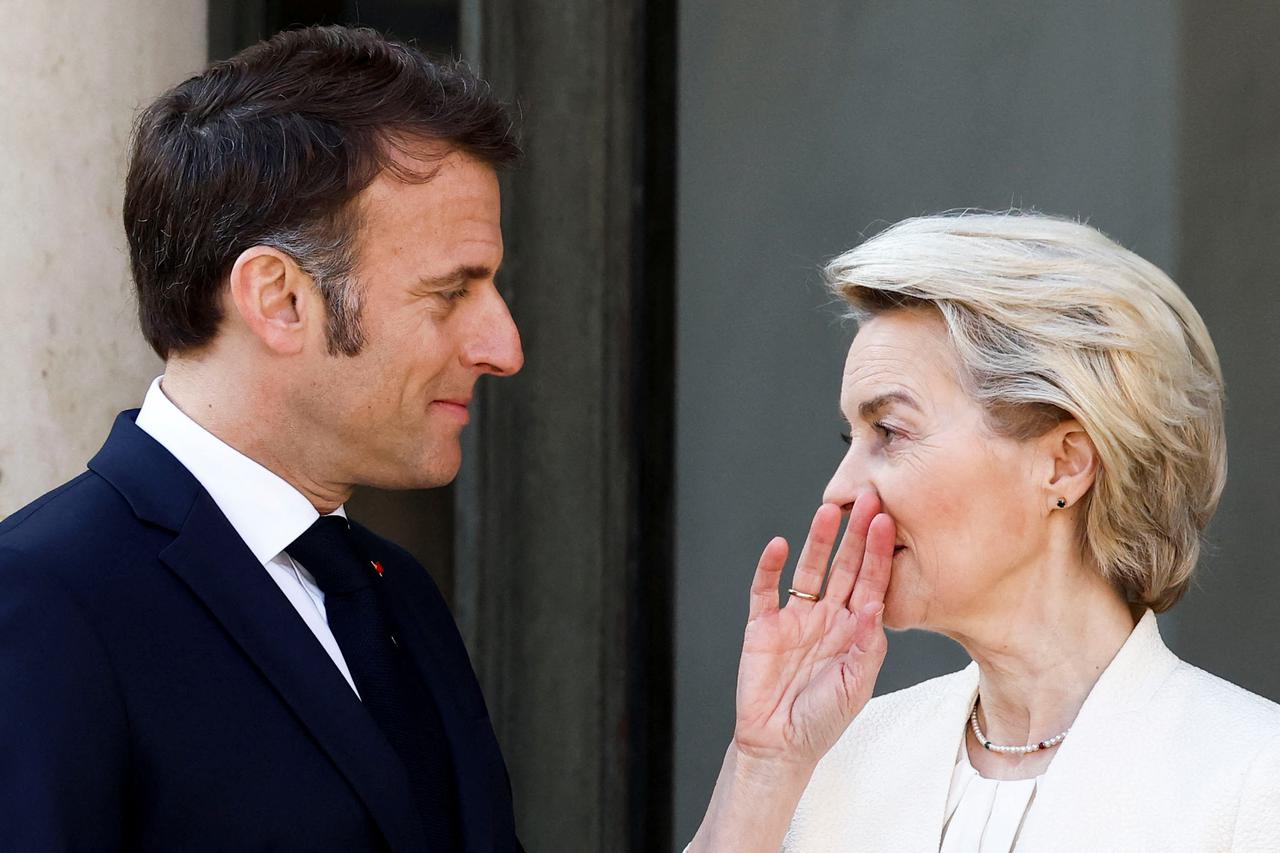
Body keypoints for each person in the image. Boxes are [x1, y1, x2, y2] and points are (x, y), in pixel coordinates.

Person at [0, 26, 526, 852]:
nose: (504, 347)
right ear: (279, 299)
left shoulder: (397, 594)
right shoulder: (43, 602)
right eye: (450, 292)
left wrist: (746, 762)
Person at [690, 212, 1280, 851]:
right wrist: (764, 766)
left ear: (1064, 464)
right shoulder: (838, 758)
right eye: (849, 438)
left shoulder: (1252, 779)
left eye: (890, 432)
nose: (839, 489)